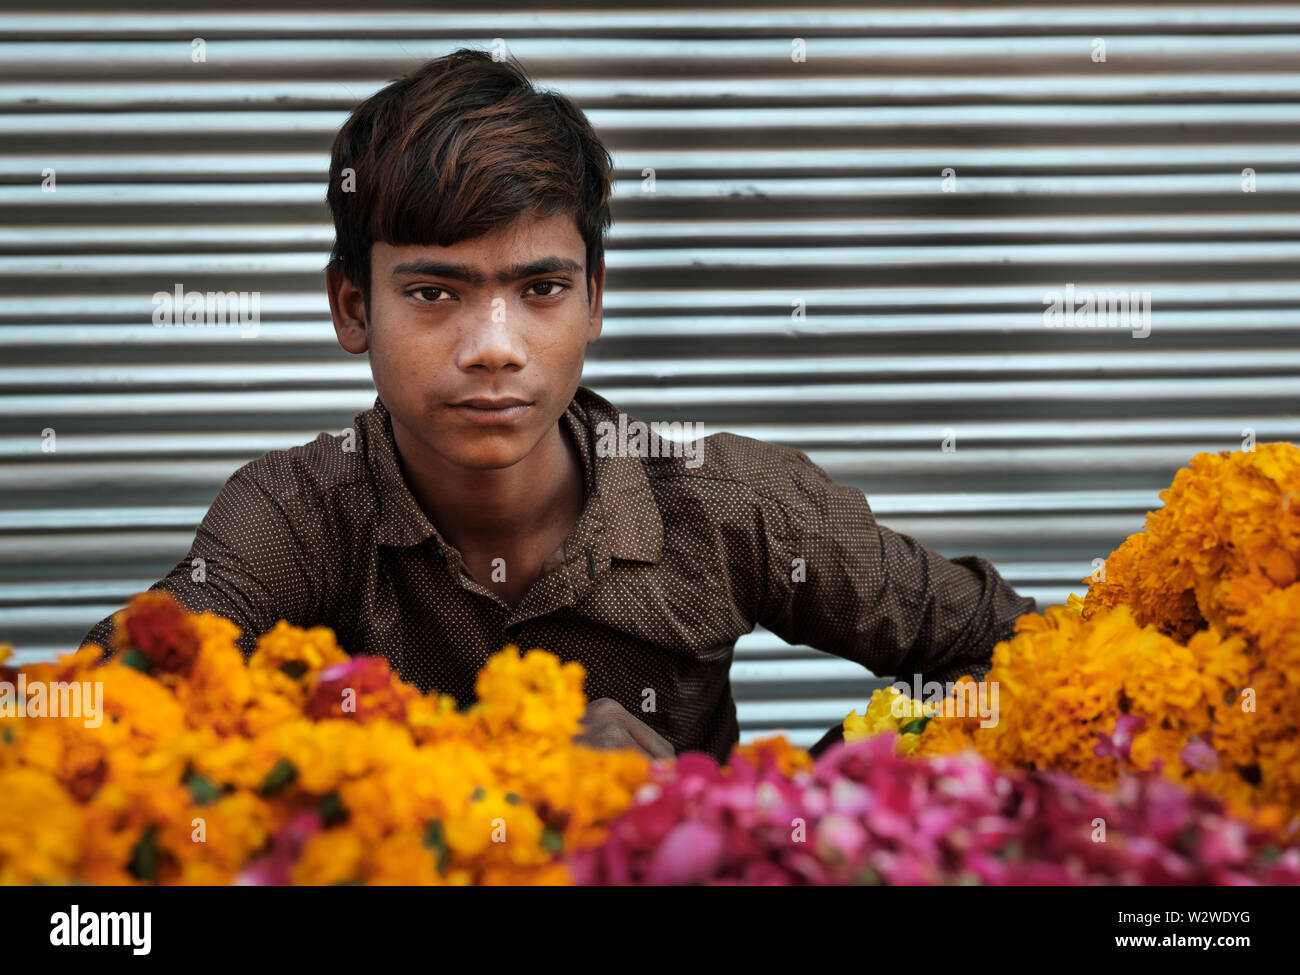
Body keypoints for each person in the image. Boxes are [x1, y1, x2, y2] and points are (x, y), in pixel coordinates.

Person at [79, 48, 1036, 763]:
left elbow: (1009, 655)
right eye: (434, 291)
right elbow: (118, 702)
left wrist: (779, 800)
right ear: (351, 308)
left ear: (595, 300)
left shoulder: (734, 501)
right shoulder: (298, 514)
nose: (494, 346)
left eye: (540, 289)